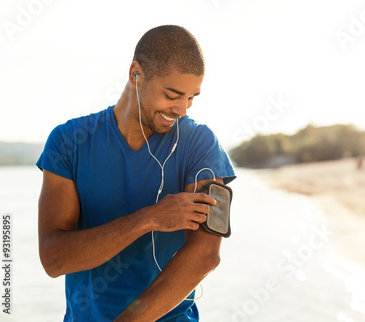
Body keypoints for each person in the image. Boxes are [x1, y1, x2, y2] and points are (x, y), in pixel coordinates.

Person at [36, 25, 236, 321]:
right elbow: (54, 259)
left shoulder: (201, 144)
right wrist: (149, 219)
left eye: (191, 97)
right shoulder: (68, 142)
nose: (182, 109)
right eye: (172, 95)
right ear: (136, 74)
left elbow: (206, 254)